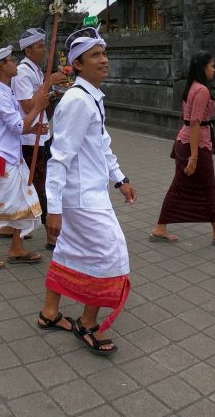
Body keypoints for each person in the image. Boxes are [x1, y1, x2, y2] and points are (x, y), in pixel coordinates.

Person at [36, 27, 137, 356]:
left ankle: (50, 313)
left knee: (68, 251)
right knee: (111, 256)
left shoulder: (91, 97)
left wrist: (119, 179)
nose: (104, 60)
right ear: (77, 64)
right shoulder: (78, 101)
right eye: (95, 55)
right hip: (81, 199)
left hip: (89, 193)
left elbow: (101, 144)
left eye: (104, 53)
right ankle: (88, 324)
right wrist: (53, 209)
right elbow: (58, 158)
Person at [0, 45, 57, 269]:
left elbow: (13, 127)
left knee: (26, 199)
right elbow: (17, 126)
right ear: (2, 66)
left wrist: (33, 129)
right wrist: (37, 107)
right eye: (11, 60)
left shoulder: (6, 91)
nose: (15, 63)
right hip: (0, 158)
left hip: (12, 155)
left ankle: (17, 247)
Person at [150, 52, 215, 245]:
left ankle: (161, 228)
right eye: (212, 66)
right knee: (207, 186)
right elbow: (195, 123)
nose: (214, 69)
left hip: (188, 143)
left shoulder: (192, 87)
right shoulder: (201, 90)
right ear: (203, 68)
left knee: (182, 186)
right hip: (194, 145)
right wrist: (194, 156)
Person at [5, 27, 64, 248]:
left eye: (44, 45)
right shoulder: (23, 72)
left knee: (28, 183)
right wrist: (48, 85)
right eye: (40, 47)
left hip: (41, 132)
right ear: (28, 50)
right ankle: (51, 234)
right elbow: (29, 105)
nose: (45, 50)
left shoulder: (36, 71)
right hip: (29, 137)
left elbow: (41, 98)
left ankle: (11, 225)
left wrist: (52, 90)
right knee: (39, 183)